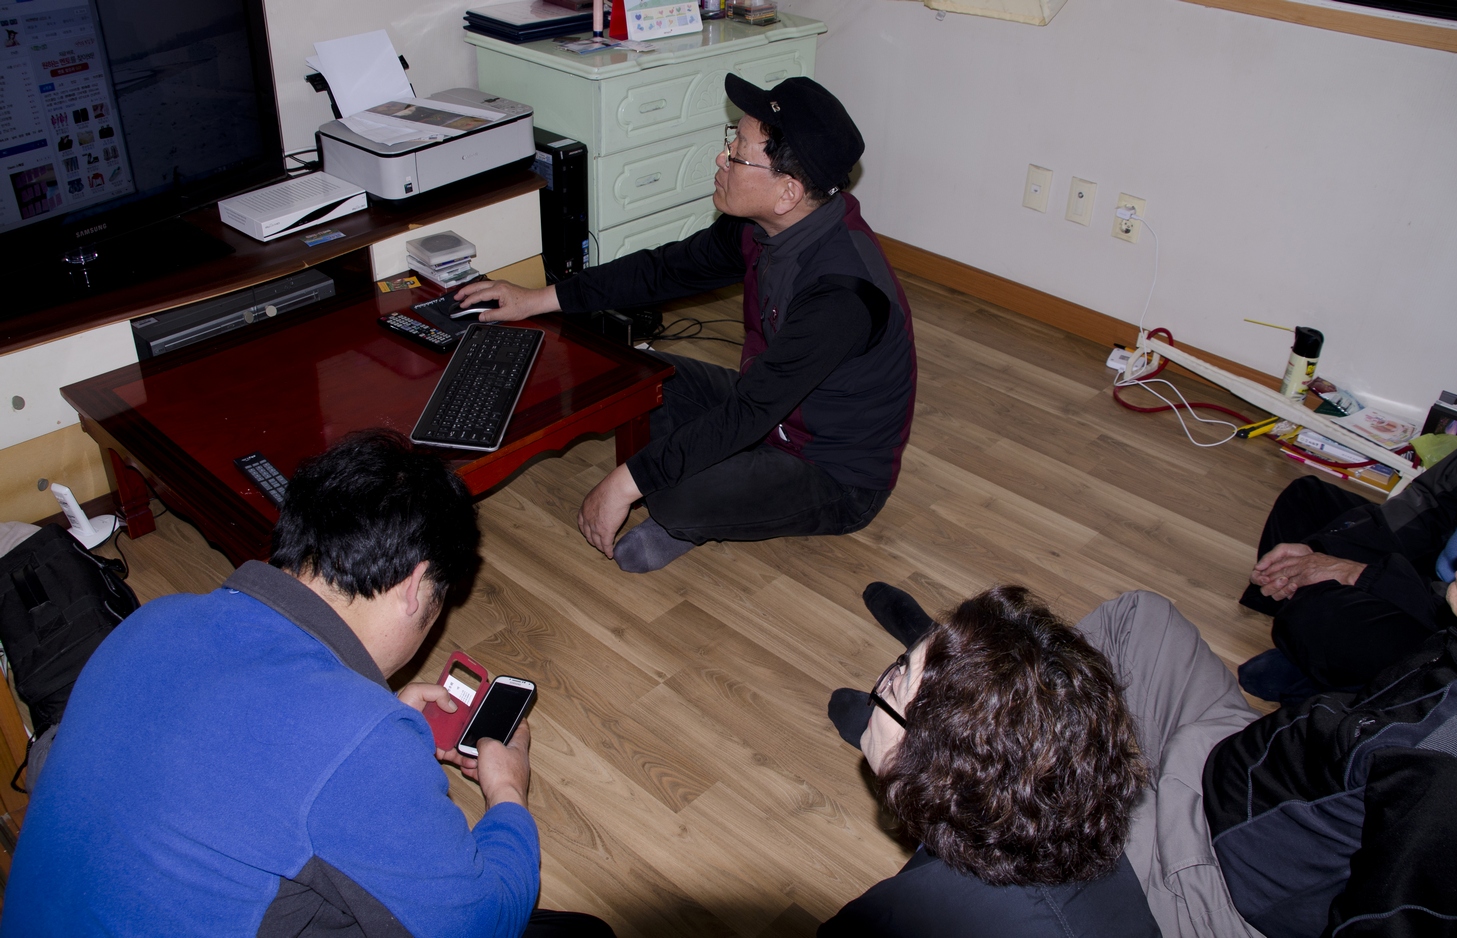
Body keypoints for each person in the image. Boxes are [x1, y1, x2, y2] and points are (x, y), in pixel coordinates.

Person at [3, 430, 612, 938]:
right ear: (414, 586)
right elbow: (481, 925)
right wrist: (508, 792)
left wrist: (368, 719)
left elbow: (245, 748)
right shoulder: (361, 742)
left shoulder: (158, 619)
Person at [836, 496, 1457, 938]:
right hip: (1235, 764)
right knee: (1140, 617)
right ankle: (966, 695)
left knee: (1022, 824)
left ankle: (935, 746)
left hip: (1214, 882)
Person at [454, 74, 917, 574]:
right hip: (771, 408)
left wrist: (623, 484)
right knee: (636, 380)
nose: (722, 158)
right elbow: (664, 269)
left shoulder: (842, 295)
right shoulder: (761, 226)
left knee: (671, 494)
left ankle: (694, 514)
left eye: (738, 153)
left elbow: (750, 411)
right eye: (730, 141)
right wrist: (538, 299)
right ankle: (716, 491)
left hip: (831, 469)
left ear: (788, 192)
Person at [821, 585, 1161, 937]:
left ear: (940, 779)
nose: (884, 681)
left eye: (895, 685)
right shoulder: (1073, 797)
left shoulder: (886, 920)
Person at [1238, 406, 1457, 701]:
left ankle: (1352, 670)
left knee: (1319, 612)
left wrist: (1358, 574)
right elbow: (1427, 504)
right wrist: (1322, 550)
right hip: (1437, 563)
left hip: (1456, 617)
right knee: (1305, 498)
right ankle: (1307, 633)